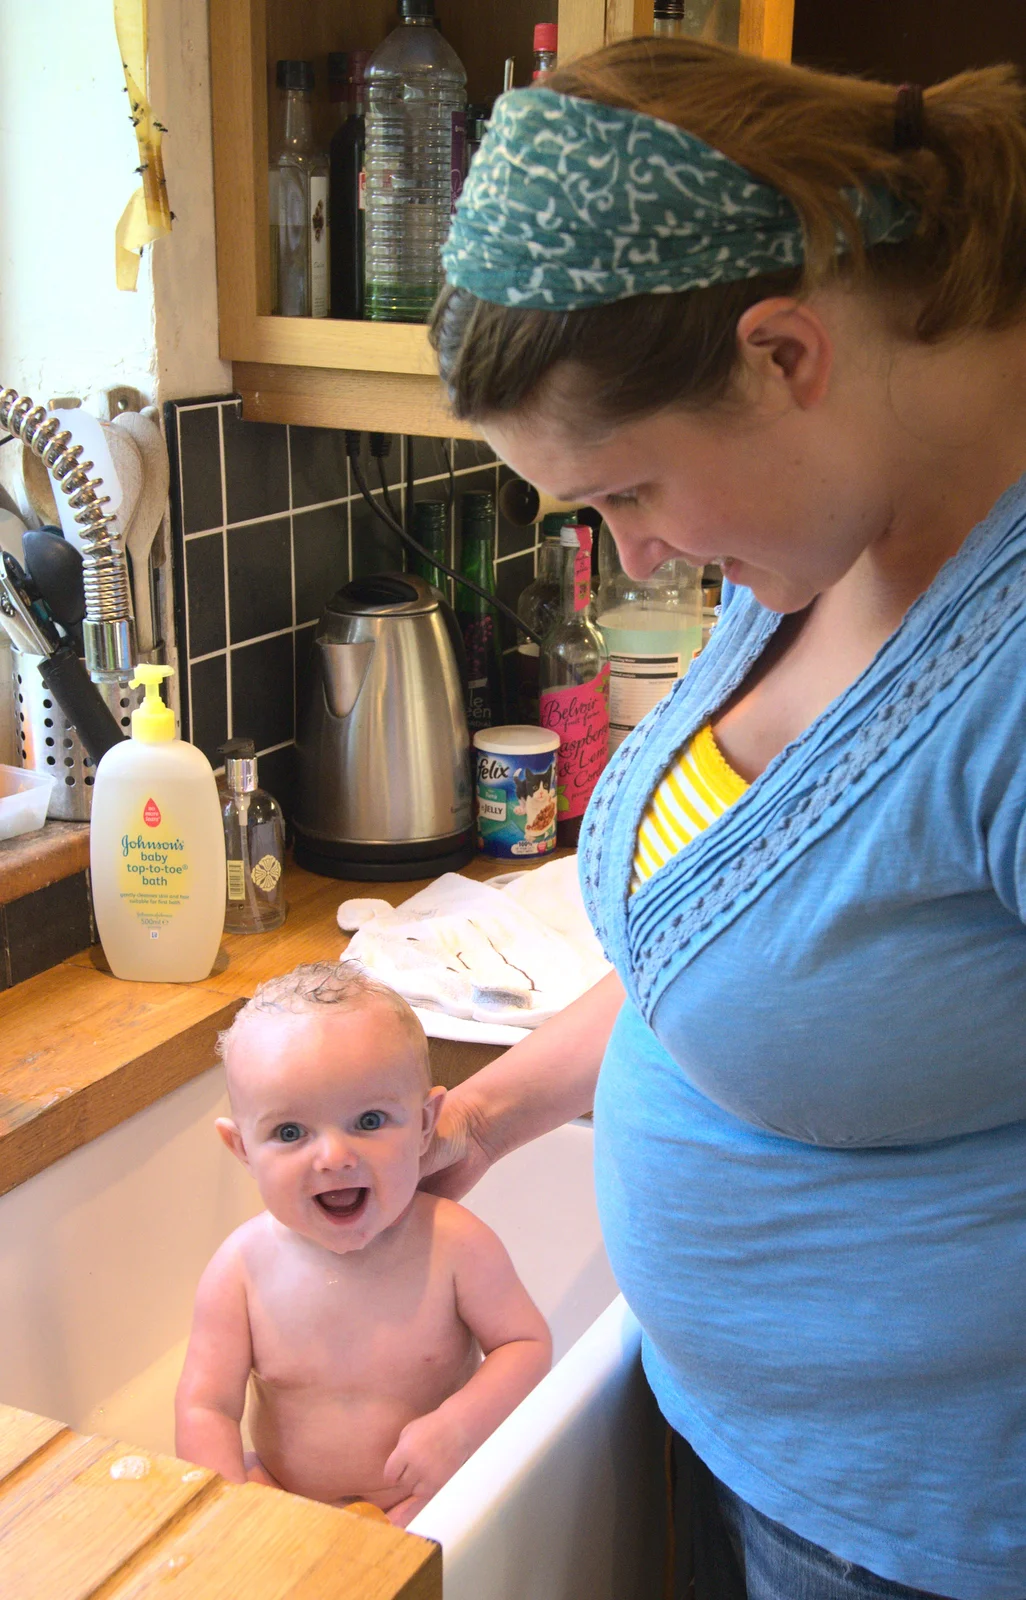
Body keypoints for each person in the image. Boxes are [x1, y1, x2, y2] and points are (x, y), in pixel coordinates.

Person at [422, 35, 1026, 1600]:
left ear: (781, 355)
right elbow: (751, 942)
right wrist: (491, 1114)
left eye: (625, 492)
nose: (630, 561)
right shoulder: (832, 520)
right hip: (736, 1451)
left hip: (923, 1543)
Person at [175, 963, 551, 1526]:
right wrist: (229, 1512)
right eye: (289, 1132)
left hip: (427, 1495)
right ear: (241, 1149)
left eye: (369, 1120)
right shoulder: (241, 1271)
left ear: (425, 1124)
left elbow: (525, 1345)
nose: (334, 1157)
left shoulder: (452, 1244)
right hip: (284, 1494)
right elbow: (207, 1407)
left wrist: (460, 1426)